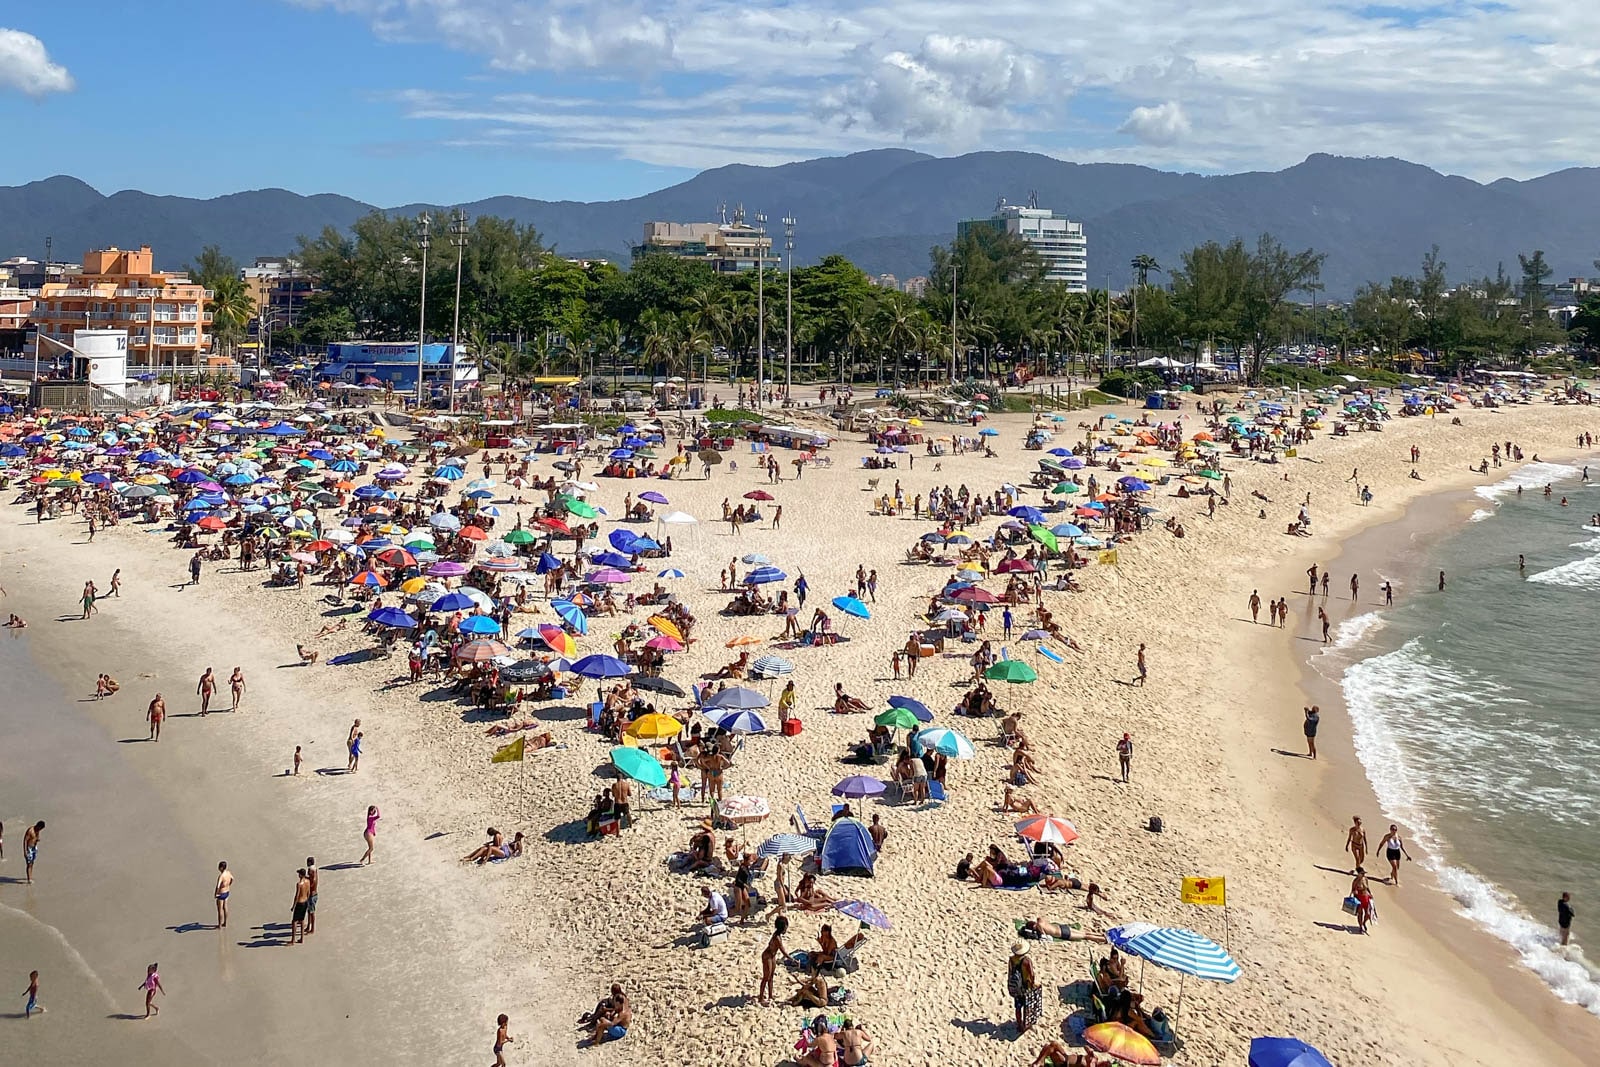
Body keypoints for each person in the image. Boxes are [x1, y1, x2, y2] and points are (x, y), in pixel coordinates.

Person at [1007, 940, 1041, 1035]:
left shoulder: (1012, 960)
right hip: (1025, 986)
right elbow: (1031, 974)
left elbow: (1010, 972)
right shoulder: (1026, 961)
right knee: (1027, 1005)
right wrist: (1033, 984)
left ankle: (1019, 1024)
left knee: (1018, 1007)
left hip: (1016, 987)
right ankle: (1025, 1024)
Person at [758, 916, 789, 1005]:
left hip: (772, 956)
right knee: (766, 977)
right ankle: (760, 998)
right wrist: (793, 960)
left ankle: (770, 995)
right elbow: (783, 952)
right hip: (767, 956)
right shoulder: (777, 938)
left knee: (771, 977)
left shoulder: (777, 935)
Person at [1029, 1040, 1098, 1067]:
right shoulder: (1095, 1058)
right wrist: (1090, 1051)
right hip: (1066, 1057)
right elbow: (1085, 1046)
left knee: (1053, 1045)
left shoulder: (1092, 1065)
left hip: (1065, 1064)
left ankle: (1038, 1063)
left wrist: (1090, 1063)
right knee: (1048, 1046)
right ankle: (1038, 1062)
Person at [291, 868, 312, 944]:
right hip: (305, 901)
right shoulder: (308, 881)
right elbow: (308, 892)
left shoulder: (299, 884)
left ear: (301, 875)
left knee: (294, 921)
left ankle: (293, 940)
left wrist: (293, 906)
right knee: (302, 920)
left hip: (300, 903)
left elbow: (297, 896)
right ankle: (302, 938)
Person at [1351, 867, 1374, 934]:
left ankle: (1364, 923)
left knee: (1368, 913)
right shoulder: (1355, 881)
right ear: (1358, 874)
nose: (1363, 874)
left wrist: (1370, 893)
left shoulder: (1366, 879)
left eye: (1364, 873)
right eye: (1362, 873)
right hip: (1359, 897)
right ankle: (1361, 926)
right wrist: (1355, 892)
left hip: (1366, 896)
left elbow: (1367, 887)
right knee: (1360, 913)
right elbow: (1352, 889)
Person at [214, 861, 233, 929]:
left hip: (221, 893)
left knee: (220, 910)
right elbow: (232, 879)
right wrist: (228, 885)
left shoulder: (221, 876)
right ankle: (225, 922)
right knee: (225, 907)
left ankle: (219, 925)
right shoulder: (228, 873)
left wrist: (216, 893)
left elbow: (218, 886)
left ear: (221, 868)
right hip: (227, 891)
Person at [305, 857, 319, 934]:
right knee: (309, 911)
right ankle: (308, 926)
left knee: (312, 912)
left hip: (311, 895)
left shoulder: (311, 870)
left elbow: (312, 881)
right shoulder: (315, 869)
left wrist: (307, 882)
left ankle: (312, 929)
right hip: (314, 894)